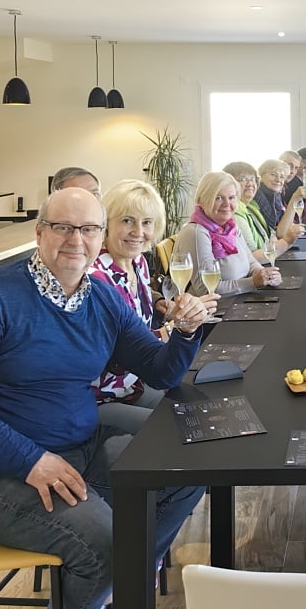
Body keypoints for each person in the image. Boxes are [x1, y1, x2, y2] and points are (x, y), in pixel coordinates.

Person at [0, 187, 207, 609]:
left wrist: (186, 331)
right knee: (108, 544)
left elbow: (160, 371)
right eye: (63, 228)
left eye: (88, 229)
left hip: (79, 447)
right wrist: (31, 460)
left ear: (99, 235)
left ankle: (108, 593)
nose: (76, 240)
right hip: (6, 470)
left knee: (187, 468)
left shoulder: (101, 298)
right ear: (39, 232)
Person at [90, 179, 218, 434]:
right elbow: (115, 355)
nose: (138, 231)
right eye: (127, 221)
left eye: (147, 222)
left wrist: (173, 313)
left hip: (134, 384)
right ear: (107, 223)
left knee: (203, 409)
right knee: (179, 429)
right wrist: (174, 328)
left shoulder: (138, 263)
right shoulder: (97, 278)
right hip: (101, 395)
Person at [174, 172, 281, 298]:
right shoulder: (196, 232)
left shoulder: (230, 227)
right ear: (202, 200)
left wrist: (266, 275)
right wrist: (252, 282)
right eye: (218, 198)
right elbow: (206, 290)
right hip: (213, 308)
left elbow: (251, 262)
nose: (226, 204)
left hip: (238, 301)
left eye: (231, 198)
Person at [222, 161, 302, 261]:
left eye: (253, 179)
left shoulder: (251, 206)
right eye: (243, 179)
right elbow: (252, 257)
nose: (250, 184)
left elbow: (270, 233)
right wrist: (286, 242)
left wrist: (274, 241)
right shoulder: (235, 215)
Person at [253, 158, 306, 235]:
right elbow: (280, 234)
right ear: (261, 176)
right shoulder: (258, 196)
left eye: (282, 177)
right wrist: (294, 199)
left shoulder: (276, 194)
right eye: (273, 174)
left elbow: (283, 221)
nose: (278, 180)